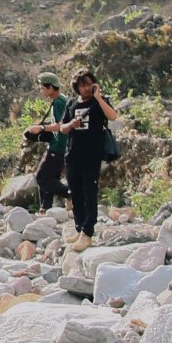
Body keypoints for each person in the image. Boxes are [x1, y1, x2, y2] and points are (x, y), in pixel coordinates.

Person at [60, 69, 117, 244]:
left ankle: (88, 231)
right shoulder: (71, 103)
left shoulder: (100, 102)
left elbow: (113, 116)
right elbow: (62, 128)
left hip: (91, 156)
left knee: (89, 193)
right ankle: (79, 228)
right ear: (77, 87)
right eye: (82, 85)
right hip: (72, 155)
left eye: (89, 84)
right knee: (75, 193)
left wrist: (99, 98)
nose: (86, 88)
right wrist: (71, 124)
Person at [24, 72, 73, 210]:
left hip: (58, 146)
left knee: (41, 177)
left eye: (42, 88)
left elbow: (60, 125)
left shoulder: (59, 103)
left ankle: (71, 194)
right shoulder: (62, 99)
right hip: (60, 145)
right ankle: (45, 209)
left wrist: (41, 127)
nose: (41, 90)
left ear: (50, 87)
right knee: (51, 178)